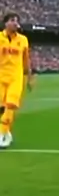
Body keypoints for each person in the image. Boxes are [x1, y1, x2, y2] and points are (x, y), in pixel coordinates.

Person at [0, 13, 34, 149]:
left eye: (17, 21)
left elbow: (26, 60)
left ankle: (2, 133)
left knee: (11, 104)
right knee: (2, 107)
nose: (15, 23)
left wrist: (30, 77)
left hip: (16, 77)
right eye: (12, 20)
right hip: (1, 76)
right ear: (5, 23)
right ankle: (6, 132)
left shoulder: (23, 40)